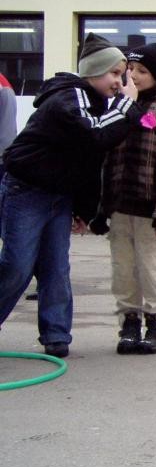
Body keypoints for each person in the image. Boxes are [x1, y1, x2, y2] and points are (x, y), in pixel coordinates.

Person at [0, 33, 141, 358]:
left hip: (58, 195)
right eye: (114, 73)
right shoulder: (69, 97)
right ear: (93, 71)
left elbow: (88, 163)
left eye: (123, 75)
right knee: (18, 265)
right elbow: (96, 135)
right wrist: (127, 105)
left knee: (56, 266)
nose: (119, 82)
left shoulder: (97, 103)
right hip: (27, 190)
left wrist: (83, 209)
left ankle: (56, 335)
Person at [89, 43, 156, 355]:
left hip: (150, 210)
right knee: (123, 269)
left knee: (154, 268)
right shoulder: (119, 109)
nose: (133, 76)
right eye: (130, 69)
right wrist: (100, 209)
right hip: (120, 208)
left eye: (142, 71)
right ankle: (129, 323)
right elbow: (105, 159)